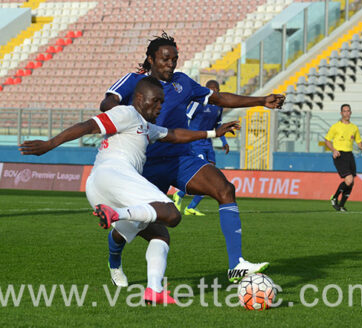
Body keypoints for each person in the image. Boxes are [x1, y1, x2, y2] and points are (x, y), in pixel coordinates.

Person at [19, 76, 239, 304]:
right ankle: (118, 215)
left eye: (162, 103)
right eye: (155, 102)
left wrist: (213, 134)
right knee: (171, 214)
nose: (159, 107)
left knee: (160, 235)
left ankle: (150, 287)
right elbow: (88, 126)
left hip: (98, 188)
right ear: (140, 98)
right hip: (114, 175)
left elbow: (174, 135)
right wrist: (49, 144)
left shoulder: (145, 126)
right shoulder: (125, 113)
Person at [100, 32, 285, 284]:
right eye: (165, 59)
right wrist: (132, 118)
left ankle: (236, 265)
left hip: (180, 159)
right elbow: (107, 104)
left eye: (174, 59)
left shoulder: (183, 83)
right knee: (134, 226)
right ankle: (115, 260)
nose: (171, 64)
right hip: (144, 164)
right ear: (151, 59)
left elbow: (219, 98)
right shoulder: (134, 82)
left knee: (225, 189)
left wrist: (261, 100)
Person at [173, 80, 229, 216]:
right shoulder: (197, 103)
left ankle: (186, 203)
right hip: (195, 143)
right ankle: (185, 200)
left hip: (208, 144)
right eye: (211, 89)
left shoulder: (219, 106)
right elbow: (186, 118)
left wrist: (224, 141)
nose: (214, 92)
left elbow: (218, 124)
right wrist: (185, 138)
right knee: (205, 177)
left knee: (212, 174)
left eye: (216, 89)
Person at [324, 104, 362, 212]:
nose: (347, 113)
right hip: (339, 155)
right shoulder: (335, 126)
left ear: (350, 113)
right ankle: (334, 198)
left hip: (349, 155)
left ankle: (341, 205)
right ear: (341, 113)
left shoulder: (354, 127)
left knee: (351, 182)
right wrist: (334, 150)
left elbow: (358, 141)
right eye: (344, 111)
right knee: (349, 179)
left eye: (348, 111)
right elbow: (327, 140)